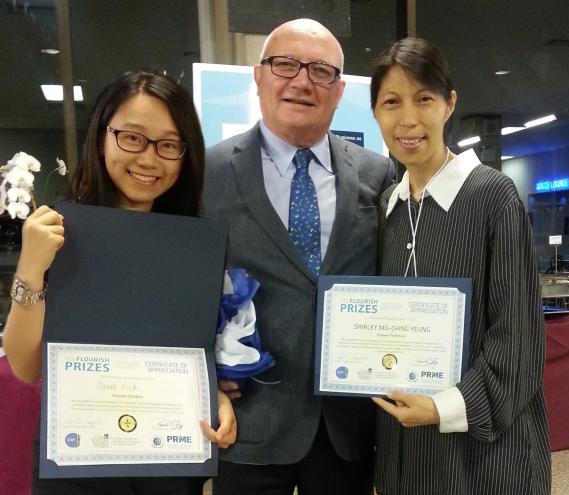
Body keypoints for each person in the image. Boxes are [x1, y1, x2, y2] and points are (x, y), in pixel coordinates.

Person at [2, 70, 236, 495]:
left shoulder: (193, 248)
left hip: (165, 464)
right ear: (102, 136)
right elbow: (26, 365)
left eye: (168, 145)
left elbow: (188, 351)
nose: (148, 159)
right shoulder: (59, 231)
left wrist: (211, 397)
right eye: (132, 137)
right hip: (78, 460)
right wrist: (31, 268)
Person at [203, 18, 395, 495]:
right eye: (285, 64)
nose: (302, 81)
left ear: (339, 89)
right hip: (248, 422)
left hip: (348, 428)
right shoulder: (205, 174)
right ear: (259, 75)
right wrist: (201, 373)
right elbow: (181, 288)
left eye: (320, 71)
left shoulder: (380, 174)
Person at [370, 38, 551, 494]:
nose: (407, 119)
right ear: (375, 112)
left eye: (424, 99)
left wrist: (441, 408)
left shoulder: (492, 196)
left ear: (449, 105)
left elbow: (518, 341)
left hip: (485, 457)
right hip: (407, 453)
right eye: (391, 102)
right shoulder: (387, 208)